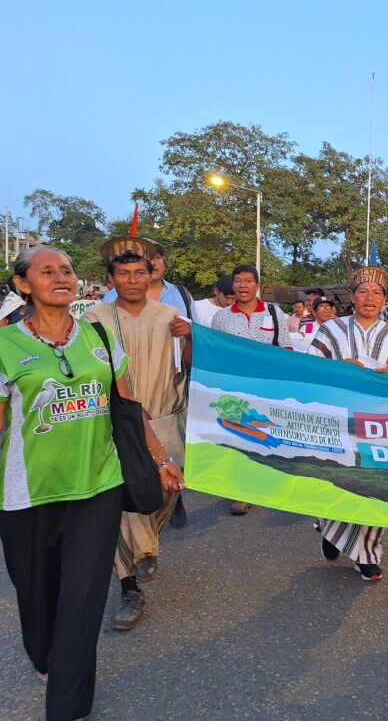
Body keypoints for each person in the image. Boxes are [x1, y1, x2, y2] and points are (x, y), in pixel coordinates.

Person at [0, 246, 183, 721]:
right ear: (24, 284)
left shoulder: (99, 335)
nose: (61, 277)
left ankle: (68, 704)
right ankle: (43, 654)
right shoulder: (4, 346)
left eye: (66, 270)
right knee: (35, 591)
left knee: (82, 595)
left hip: (97, 485)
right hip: (27, 492)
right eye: (47, 271)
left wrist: (160, 457)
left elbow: (128, 406)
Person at [84, 242, 191, 631]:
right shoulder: (95, 318)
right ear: (110, 280)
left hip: (163, 415)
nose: (132, 280)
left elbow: (191, 367)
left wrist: (190, 338)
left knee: (167, 488)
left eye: (139, 273)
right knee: (125, 497)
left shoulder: (170, 315)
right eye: (124, 274)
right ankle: (130, 585)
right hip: (115, 419)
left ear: (151, 276)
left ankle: (147, 547)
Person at [307, 266, 388, 581]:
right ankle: (331, 531)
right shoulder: (331, 331)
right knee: (336, 478)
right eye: (363, 292)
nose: (370, 298)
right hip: (336, 420)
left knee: (375, 485)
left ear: (384, 300)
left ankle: (366, 554)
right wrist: (341, 368)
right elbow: (311, 368)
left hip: (378, 423)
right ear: (352, 297)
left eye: (377, 293)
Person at [212, 263, 290, 515]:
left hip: (267, 386)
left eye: (248, 281)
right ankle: (242, 492)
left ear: (257, 285)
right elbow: (216, 352)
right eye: (238, 281)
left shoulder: (274, 312)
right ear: (232, 285)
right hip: (234, 388)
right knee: (238, 436)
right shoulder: (221, 317)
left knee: (263, 433)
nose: (242, 286)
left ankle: (265, 483)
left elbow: (286, 349)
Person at [100, 237, 192, 318]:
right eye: (148, 259)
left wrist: (189, 332)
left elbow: (198, 332)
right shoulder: (111, 297)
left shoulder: (182, 293)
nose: (153, 263)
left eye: (158, 258)